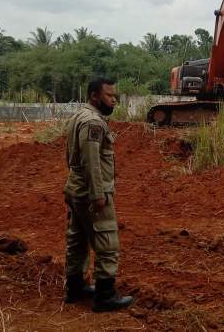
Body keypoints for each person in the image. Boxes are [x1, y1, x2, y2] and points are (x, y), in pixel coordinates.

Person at [63, 77, 133, 312]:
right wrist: (98, 194)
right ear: (94, 96)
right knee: (107, 242)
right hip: (91, 190)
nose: (114, 100)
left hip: (75, 187)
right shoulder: (93, 122)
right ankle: (105, 296)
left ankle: (75, 288)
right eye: (109, 96)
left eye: (114, 96)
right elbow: (91, 161)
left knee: (78, 239)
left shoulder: (79, 115)